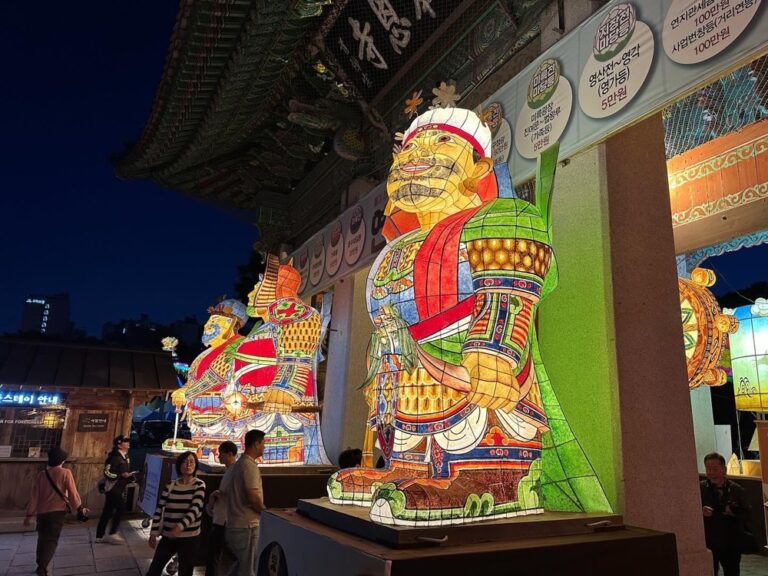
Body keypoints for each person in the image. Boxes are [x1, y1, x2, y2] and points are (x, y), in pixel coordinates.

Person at [24, 447, 87, 576]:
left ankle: (40, 563)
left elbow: (34, 496)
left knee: (42, 539)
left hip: (42, 513)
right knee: (51, 540)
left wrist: (29, 514)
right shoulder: (65, 473)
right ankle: (42, 567)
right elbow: (73, 494)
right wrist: (80, 508)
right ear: (62, 460)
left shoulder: (42, 474)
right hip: (57, 512)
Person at [147, 451, 207, 576]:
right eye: (185, 461)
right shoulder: (171, 485)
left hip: (189, 537)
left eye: (192, 462)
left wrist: (180, 527)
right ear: (179, 465)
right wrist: (153, 533)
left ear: (196, 465)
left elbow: (195, 509)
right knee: (154, 568)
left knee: (185, 571)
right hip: (168, 535)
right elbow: (159, 509)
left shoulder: (199, 485)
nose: (188, 465)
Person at [700, 452, 749, 576]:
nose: (711, 473)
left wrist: (732, 512)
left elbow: (748, 513)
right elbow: (688, 512)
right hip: (709, 541)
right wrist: (701, 512)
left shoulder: (736, 489)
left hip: (731, 541)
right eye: (708, 469)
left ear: (724, 469)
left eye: (715, 469)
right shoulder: (700, 489)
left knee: (732, 572)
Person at [225, 429, 266, 576]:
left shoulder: (239, 464)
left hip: (235, 523)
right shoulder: (249, 466)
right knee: (248, 569)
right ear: (256, 444)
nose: (264, 447)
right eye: (263, 443)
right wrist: (265, 512)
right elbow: (253, 496)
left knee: (241, 565)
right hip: (246, 526)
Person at [205, 441, 238, 576]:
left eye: (221, 453)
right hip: (221, 519)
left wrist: (220, 495)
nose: (218, 456)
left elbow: (238, 497)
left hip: (225, 521)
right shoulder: (229, 471)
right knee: (216, 555)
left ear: (230, 454)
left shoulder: (235, 472)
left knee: (216, 555)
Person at [96, 435, 133, 543]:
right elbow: (107, 472)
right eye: (125, 442)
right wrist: (121, 475)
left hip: (119, 487)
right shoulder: (114, 457)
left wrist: (129, 476)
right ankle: (112, 533)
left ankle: (99, 535)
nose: (128, 443)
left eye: (128, 441)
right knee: (121, 508)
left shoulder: (125, 456)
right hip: (113, 488)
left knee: (107, 511)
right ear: (119, 445)